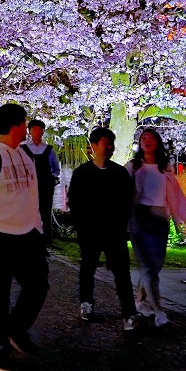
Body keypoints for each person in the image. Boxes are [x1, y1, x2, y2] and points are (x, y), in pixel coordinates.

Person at [0, 103, 49, 371]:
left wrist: (38, 227)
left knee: (38, 286)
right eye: (25, 122)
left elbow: (33, 194)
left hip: (28, 234)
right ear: (16, 125)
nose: (27, 127)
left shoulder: (25, 155)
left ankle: (15, 328)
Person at [66, 127, 139, 333]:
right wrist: (81, 225)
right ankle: (86, 302)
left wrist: (123, 227)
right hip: (90, 231)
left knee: (122, 273)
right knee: (88, 267)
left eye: (111, 144)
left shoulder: (119, 173)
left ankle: (128, 313)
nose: (109, 148)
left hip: (114, 232)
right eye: (105, 143)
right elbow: (75, 202)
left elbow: (126, 202)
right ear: (94, 146)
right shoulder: (82, 173)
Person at [126, 127, 186, 327]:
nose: (147, 141)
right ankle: (159, 312)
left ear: (157, 143)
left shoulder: (165, 168)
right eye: (143, 138)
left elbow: (177, 196)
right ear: (139, 144)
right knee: (147, 267)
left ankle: (139, 301)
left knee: (155, 266)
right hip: (140, 220)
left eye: (151, 138)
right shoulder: (133, 166)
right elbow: (119, 187)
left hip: (160, 220)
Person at [22, 119, 61, 244]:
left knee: (45, 210)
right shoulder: (23, 148)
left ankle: (46, 237)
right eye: (34, 130)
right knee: (28, 209)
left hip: (45, 184)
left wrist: (52, 178)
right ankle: (29, 236)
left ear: (43, 132)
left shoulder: (49, 149)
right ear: (29, 132)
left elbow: (55, 168)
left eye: (40, 130)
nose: (37, 132)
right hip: (28, 185)